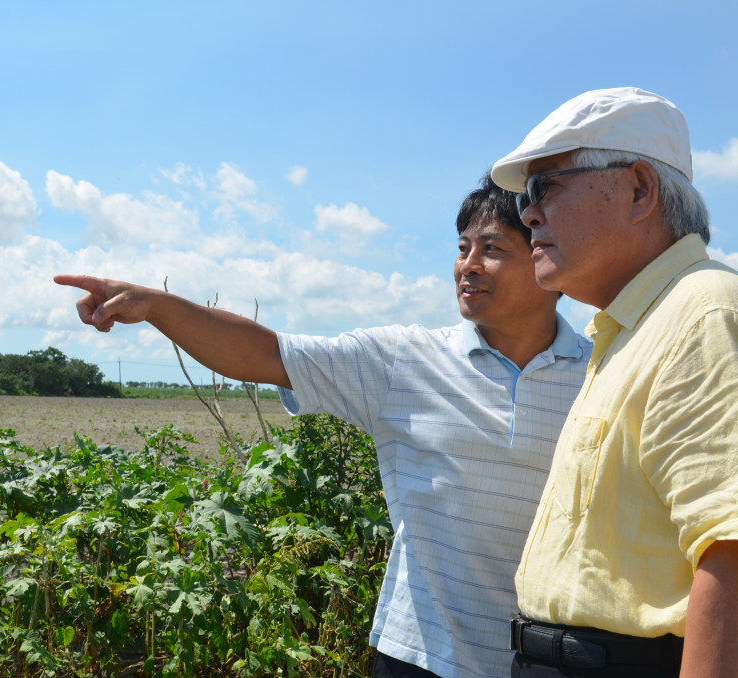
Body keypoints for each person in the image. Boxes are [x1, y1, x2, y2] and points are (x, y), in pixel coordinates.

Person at [54, 173, 591, 678]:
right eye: (462, 248)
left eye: (492, 249)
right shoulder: (405, 360)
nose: (468, 265)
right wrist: (156, 305)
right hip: (420, 655)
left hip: (546, 659)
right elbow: (266, 353)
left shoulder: (603, 372)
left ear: (546, 257)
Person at [490, 87, 738, 678]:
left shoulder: (703, 313)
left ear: (639, 190)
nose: (528, 213)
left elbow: (730, 550)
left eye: (545, 187)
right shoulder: (632, 327)